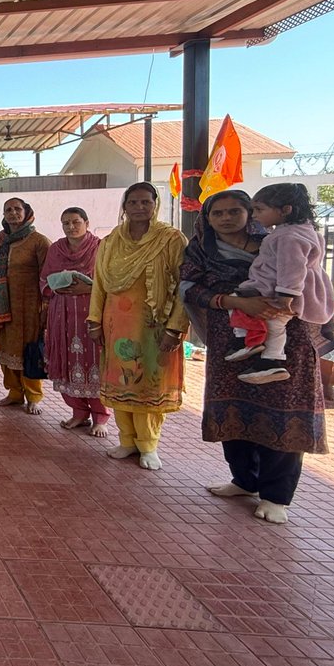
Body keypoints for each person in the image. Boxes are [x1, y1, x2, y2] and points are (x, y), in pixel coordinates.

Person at [181, 190, 332, 524]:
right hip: (231, 341)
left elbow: (306, 280)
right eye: (217, 213)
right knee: (233, 408)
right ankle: (244, 480)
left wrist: (272, 304)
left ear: (250, 213)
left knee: (283, 410)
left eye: (235, 211)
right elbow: (188, 288)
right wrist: (238, 303)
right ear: (207, 218)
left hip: (285, 339)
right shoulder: (200, 250)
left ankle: (276, 496)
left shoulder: (280, 240)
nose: (226, 218)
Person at [88, 182, 187, 471]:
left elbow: (184, 286)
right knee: (121, 383)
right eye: (133, 202)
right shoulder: (111, 241)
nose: (139, 207)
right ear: (125, 206)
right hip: (116, 324)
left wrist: (175, 328)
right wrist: (94, 320)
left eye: (146, 202)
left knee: (148, 386)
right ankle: (127, 441)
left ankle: (149, 445)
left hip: (154, 326)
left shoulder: (170, 239)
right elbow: (100, 284)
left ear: (156, 205)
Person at [226, 183, 334, 385]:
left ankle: (249, 342)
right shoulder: (306, 231)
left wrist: (285, 298)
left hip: (277, 291)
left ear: (285, 210)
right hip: (287, 290)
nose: (254, 216)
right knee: (275, 324)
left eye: (259, 210)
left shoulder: (288, 237)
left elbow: (292, 268)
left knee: (242, 304)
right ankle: (269, 359)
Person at [40, 207, 106, 436]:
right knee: (66, 361)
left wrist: (88, 288)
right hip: (62, 314)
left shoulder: (100, 247)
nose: (70, 227)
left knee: (94, 362)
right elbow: (44, 279)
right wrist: (58, 286)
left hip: (92, 314)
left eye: (76, 222)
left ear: (87, 223)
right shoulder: (56, 249)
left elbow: (110, 281)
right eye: (66, 223)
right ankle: (78, 412)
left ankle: (100, 417)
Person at [0, 198, 51, 413]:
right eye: (8, 210)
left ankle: (33, 395)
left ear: (27, 212)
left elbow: (47, 276)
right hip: (3, 307)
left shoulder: (39, 241)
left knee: (29, 350)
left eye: (17, 209)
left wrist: (45, 307)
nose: (13, 213)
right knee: (7, 349)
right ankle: (14, 393)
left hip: (29, 307)